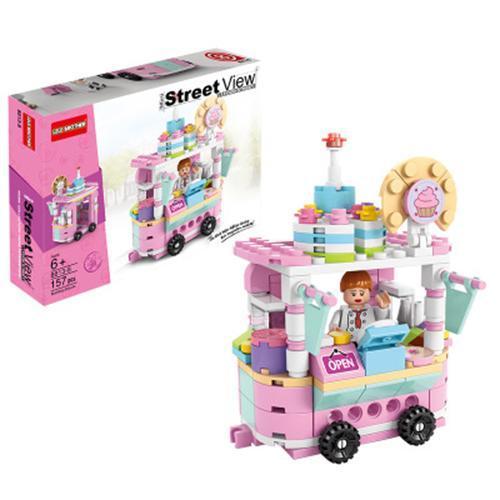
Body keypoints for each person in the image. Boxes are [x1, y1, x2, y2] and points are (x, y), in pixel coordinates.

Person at [329, 270, 391, 344]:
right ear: (343, 292)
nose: (358, 297)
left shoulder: (371, 310)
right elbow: (333, 325)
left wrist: (383, 308)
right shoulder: (340, 312)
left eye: (362, 293)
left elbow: (382, 320)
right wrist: (334, 327)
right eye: (353, 293)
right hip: (347, 343)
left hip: (368, 342)